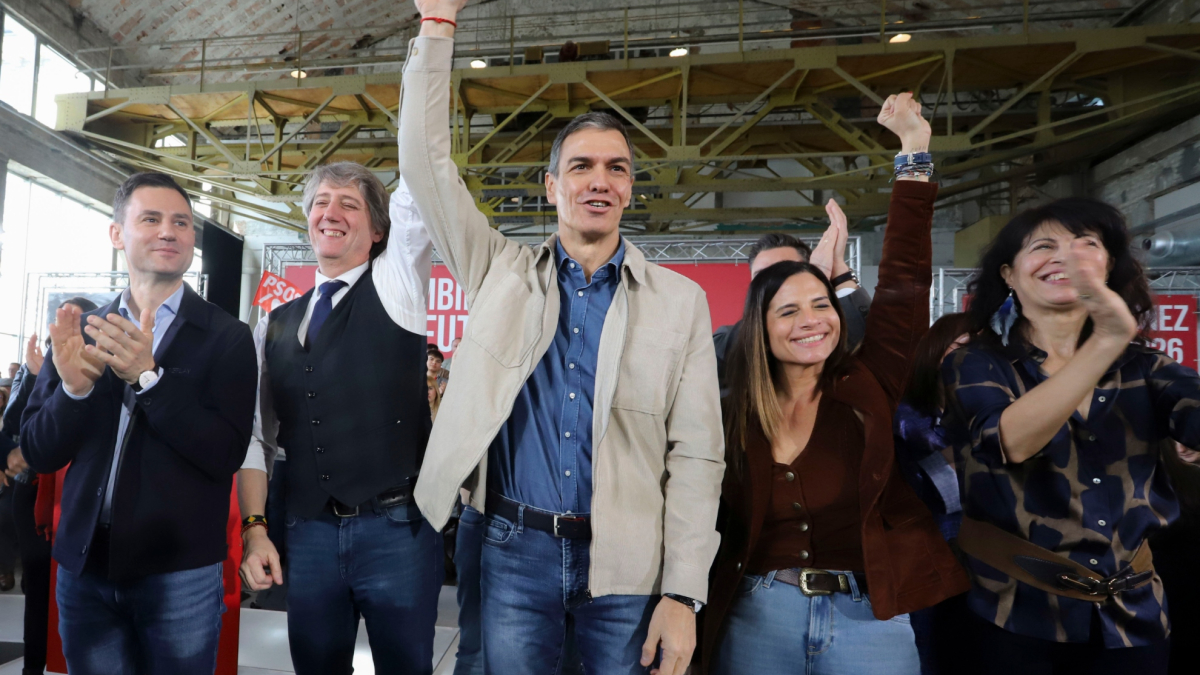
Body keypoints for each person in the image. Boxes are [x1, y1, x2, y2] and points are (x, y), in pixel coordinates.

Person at [402, 4, 725, 674]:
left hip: (630, 563)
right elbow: (426, 164)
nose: (598, 181)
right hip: (514, 548)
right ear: (552, 186)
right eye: (580, 166)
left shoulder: (680, 304)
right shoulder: (497, 271)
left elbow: (696, 458)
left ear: (631, 189)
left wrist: (683, 591)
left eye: (616, 168)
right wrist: (436, 26)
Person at [701, 93, 970, 675]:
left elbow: (903, 282)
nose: (812, 320)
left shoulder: (869, 381)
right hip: (755, 618)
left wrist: (913, 153)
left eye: (821, 304)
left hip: (869, 621)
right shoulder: (731, 406)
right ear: (759, 329)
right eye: (788, 311)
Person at [940, 197, 1190, 674]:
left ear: (1109, 265)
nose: (1065, 256)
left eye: (1085, 244)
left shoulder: (1146, 368)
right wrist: (1104, 342)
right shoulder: (976, 363)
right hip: (1014, 615)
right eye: (1043, 246)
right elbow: (1006, 441)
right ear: (1009, 275)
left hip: (1134, 621)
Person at [20, 172, 257, 675]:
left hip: (180, 571)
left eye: (182, 223)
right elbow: (38, 453)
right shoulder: (83, 331)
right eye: (150, 219)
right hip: (85, 566)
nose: (169, 232)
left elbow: (224, 454)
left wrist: (149, 379)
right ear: (117, 234)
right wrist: (72, 390)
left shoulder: (226, 337)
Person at [237, 162, 440, 675]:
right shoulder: (274, 325)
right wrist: (256, 529)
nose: (331, 212)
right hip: (308, 533)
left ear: (378, 231)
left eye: (349, 204)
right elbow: (258, 438)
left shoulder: (398, 285)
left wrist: (421, 78)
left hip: (397, 530)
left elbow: (420, 174)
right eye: (321, 202)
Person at [3, 299, 97, 675]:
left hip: (85, 496)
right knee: (39, 588)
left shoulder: (101, 366)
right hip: (36, 501)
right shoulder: (35, 369)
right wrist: (36, 376)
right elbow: (13, 429)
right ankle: (34, 666)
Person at [892, 311, 973, 675]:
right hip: (921, 558)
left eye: (981, 352)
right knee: (926, 654)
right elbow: (930, 439)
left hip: (981, 560)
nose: (969, 360)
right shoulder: (907, 412)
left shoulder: (995, 410)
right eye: (959, 348)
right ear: (936, 351)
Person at [713, 231, 870, 394]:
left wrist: (840, 276)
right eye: (763, 277)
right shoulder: (726, 344)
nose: (776, 284)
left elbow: (873, 343)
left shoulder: (838, 333)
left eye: (789, 271)